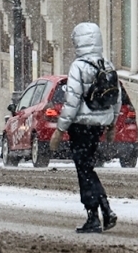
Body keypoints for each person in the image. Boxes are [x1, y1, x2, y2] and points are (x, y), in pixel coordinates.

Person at [49, 22, 121, 234]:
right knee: (88, 168)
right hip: (98, 125)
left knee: (84, 170)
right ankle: (106, 210)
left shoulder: (78, 66)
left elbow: (72, 101)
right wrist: (111, 124)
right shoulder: (106, 64)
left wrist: (60, 129)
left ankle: (93, 216)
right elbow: (116, 98)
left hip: (80, 126)